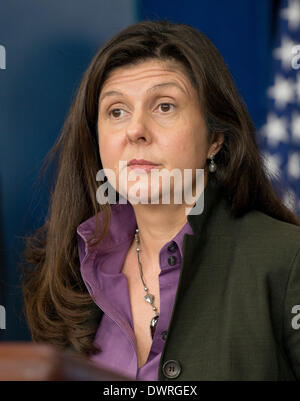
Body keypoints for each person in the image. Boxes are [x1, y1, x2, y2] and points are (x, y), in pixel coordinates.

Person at [22, 20, 300, 381]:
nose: (135, 130)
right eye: (116, 111)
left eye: (164, 106)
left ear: (215, 138)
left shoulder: (286, 258)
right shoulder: (69, 273)